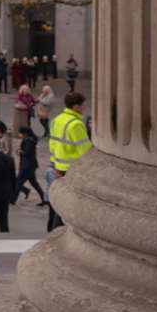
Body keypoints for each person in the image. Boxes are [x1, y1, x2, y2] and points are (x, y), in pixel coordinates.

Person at [47, 90, 93, 231]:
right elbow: (85, 150)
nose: (84, 108)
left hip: (59, 166)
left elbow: (52, 144)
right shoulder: (76, 124)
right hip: (72, 168)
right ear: (76, 106)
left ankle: (55, 228)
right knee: (71, 202)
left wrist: (55, 165)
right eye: (83, 105)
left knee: (62, 199)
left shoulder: (57, 119)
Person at [17, 126, 47, 204]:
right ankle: (43, 198)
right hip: (29, 165)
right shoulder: (28, 140)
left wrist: (20, 152)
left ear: (25, 134)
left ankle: (13, 199)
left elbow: (27, 152)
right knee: (34, 183)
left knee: (18, 182)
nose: (19, 135)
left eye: (21, 133)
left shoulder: (29, 141)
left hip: (27, 166)